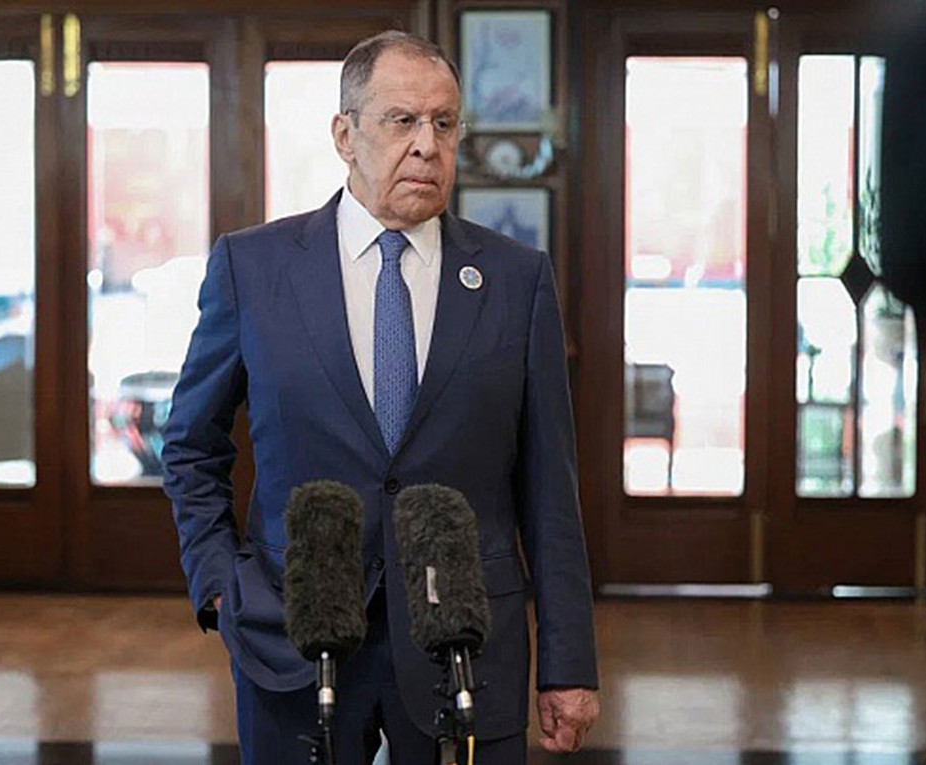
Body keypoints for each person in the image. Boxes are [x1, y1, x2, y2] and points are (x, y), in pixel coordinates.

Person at [163, 31, 599, 765]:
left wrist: (569, 663)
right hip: (294, 635)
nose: (427, 144)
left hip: (466, 647)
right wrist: (219, 584)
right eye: (402, 121)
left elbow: (551, 489)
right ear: (345, 135)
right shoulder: (253, 267)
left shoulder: (516, 279)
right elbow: (191, 446)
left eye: (444, 123)